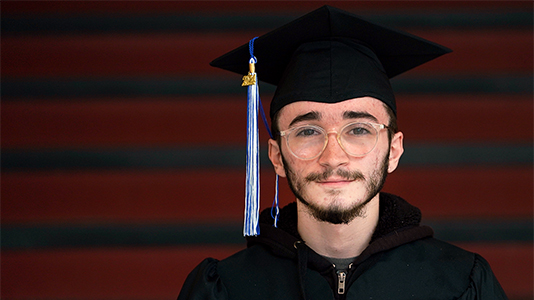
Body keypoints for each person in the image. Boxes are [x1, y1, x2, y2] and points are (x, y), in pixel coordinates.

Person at [178, 6, 507, 300]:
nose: (333, 156)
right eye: (308, 131)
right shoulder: (225, 289)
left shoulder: (461, 284)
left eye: (359, 130)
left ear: (393, 150)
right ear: (277, 156)